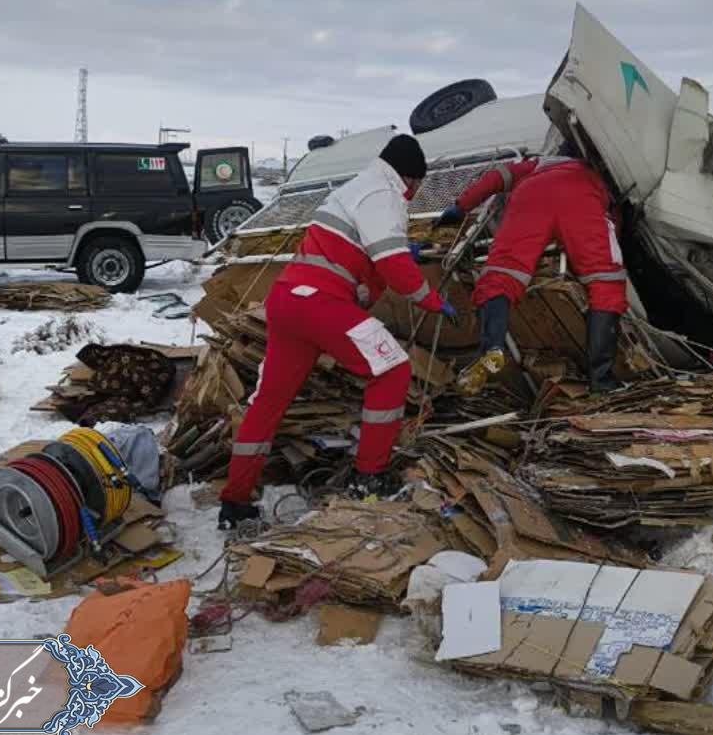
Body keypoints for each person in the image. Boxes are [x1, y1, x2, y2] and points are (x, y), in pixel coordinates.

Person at [217, 134, 455, 531]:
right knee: (392, 369)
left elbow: (367, 261)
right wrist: (429, 298)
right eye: (416, 187)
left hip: (289, 301)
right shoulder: (385, 191)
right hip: (319, 304)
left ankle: (235, 503)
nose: (414, 194)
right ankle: (369, 478)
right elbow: (392, 263)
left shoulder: (355, 188)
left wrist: (400, 252)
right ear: (410, 179)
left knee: (269, 404)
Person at [436, 136, 627, 394]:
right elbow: (615, 218)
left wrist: (460, 207)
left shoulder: (535, 164)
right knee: (606, 283)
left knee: (501, 274)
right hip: (581, 195)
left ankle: (492, 347)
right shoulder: (593, 171)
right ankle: (601, 380)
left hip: (530, 195)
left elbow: (496, 177)